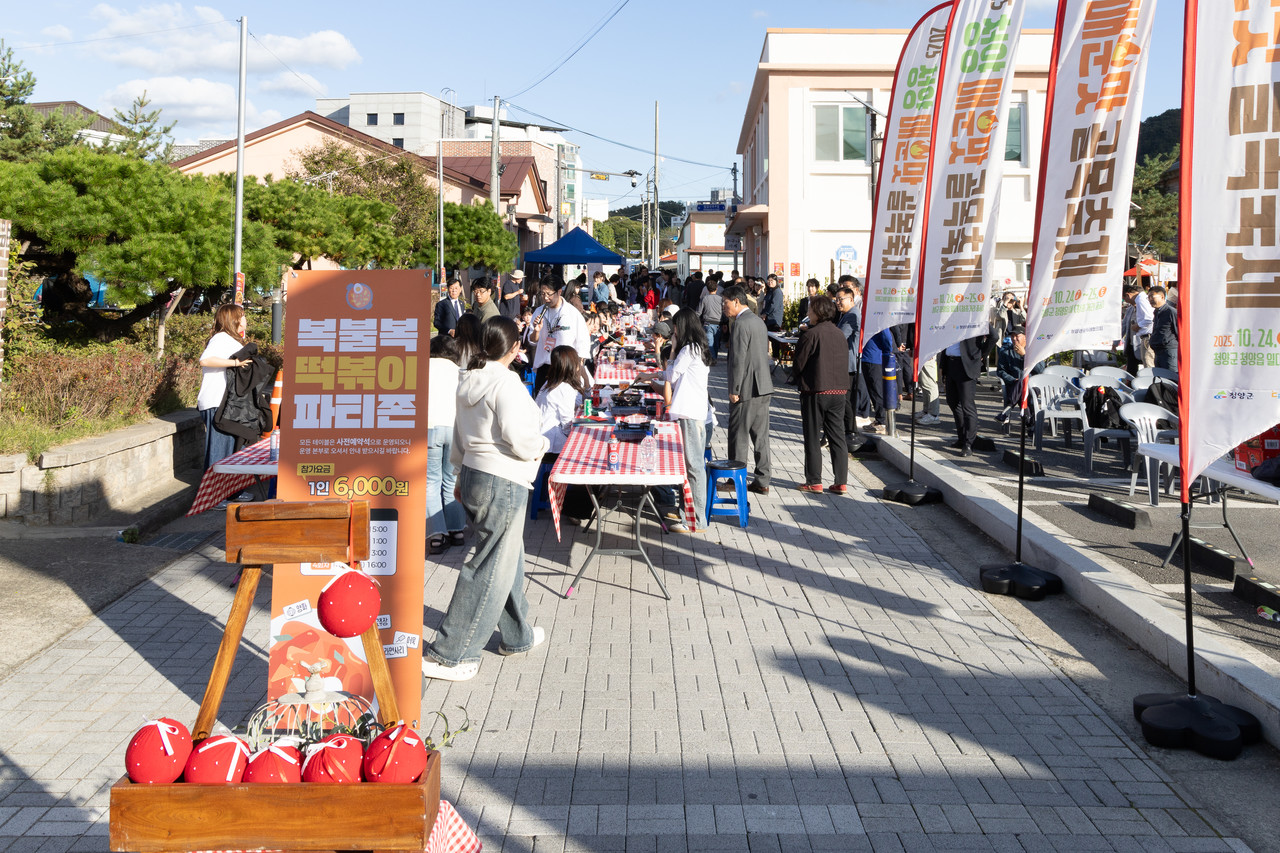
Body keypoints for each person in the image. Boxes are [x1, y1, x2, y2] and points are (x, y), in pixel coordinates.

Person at [422, 316, 549, 682]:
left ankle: (517, 635)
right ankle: (453, 653)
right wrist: (541, 444)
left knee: (506, 556)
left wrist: (459, 472)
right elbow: (519, 438)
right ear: (514, 348)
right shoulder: (506, 382)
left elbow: (460, 434)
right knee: (490, 562)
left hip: (474, 471)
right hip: (502, 475)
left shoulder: (467, 379)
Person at [792, 295, 849, 493]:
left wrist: (796, 377)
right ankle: (841, 481)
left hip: (815, 390)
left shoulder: (811, 334)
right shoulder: (839, 333)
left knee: (812, 436)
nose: (808, 313)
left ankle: (814, 480)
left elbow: (799, 363)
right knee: (837, 436)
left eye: (811, 309)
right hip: (839, 390)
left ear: (818, 312)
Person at [663, 308, 711, 532]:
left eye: (675, 326)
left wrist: (672, 350)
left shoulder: (689, 349)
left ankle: (697, 520)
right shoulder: (697, 347)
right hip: (693, 412)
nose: (674, 330)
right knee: (688, 465)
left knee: (694, 466)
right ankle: (685, 511)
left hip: (690, 413)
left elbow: (671, 376)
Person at [723, 284, 774, 494]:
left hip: (746, 388)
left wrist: (734, 389)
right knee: (761, 436)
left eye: (725, 302)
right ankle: (763, 480)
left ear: (736, 301)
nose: (723, 307)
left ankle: (735, 479)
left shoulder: (740, 324)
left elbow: (739, 360)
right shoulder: (758, 321)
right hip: (763, 385)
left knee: (739, 435)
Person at [197, 303, 252, 470]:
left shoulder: (229, 339)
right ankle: (215, 485)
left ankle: (223, 485)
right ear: (234, 319)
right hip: (217, 402)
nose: (245, 319)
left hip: (225, 403)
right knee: (220, 453)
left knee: (227, 451)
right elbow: (205, 360)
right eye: (242, 315)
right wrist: (235, 363)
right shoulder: (221, 338)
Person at [426, 335, 465, 555]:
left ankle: (436, 536)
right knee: (451, 479)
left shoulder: (422, 369)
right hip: (454, 428)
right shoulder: (459, 372)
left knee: (431, 482)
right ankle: (457, 531)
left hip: (429, 428)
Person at [527, 274, 591, 394]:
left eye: (549, 294)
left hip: (566, 367)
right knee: (541, 400)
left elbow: (582, 344)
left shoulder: (572, 313)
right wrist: (536, 331)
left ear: (559, 292)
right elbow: (532, 340)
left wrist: (578, 369)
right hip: (544, 366)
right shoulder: (539, 312)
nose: (545, 298)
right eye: (542, 294)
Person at [535, 346, 588, 456]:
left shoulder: (551, 382)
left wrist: (584, 379)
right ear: (573, 365)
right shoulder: (564, 388)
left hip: (541, 437)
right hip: (552, 444)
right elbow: (567, 423)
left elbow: (577, 402)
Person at [943, 333, 990, 456]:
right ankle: (962, 438)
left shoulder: (974, 321)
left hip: (966, 366)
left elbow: (994, 336)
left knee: (967, 406)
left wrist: (981, 354)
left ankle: (969, 443)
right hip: (950, 363)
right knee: (953, 402)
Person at [834, 282, 866, 438]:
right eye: (836, 300)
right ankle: (849, 429)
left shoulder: (852, 315)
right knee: (845, 399)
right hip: (846, 363)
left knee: (846, 399)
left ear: (851, 299)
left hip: (848, 364)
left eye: (841, 299)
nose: (838, 303)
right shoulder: (847, 314)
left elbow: (839, 337)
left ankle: (851, 431)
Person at [995, 327, 1043, 422]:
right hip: (1013, 384)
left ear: (1025, 337)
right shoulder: (1006, 351)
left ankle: (1007, 410)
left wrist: (1024, 355)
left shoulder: (1034, 350)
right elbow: (1001, 371)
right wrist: (1012, 380)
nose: (1014, 338)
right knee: (1020, 383)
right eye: (1012, 336)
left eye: (1017, 336)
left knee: (1023, 384)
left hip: (1032, 386)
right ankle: (1030, 423)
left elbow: (1040, 370)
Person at [860, 327, 896, 432]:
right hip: (867, 357)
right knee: (873, 391)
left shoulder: (879, 321)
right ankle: (879, 419)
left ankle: (882, 421)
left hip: (875, 358)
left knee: (877, 391)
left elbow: (887, 338)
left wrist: (887, 353)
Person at [1117, 281, 1155, 372]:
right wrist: (1116, 341)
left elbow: (1149, 318)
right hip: (1134, 343)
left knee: (1148, 367)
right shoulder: (1132, 307)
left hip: (1146, 339)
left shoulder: (1141, 300)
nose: (1126, 301)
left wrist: (1138, 326)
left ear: (1128, 295)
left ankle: (1149, 381)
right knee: (1134, 368)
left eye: (1124, 299)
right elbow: (1124, 325)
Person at [1148, 284, 1178, 371]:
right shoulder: (1157, 312)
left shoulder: (1171, 312)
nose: (1150, 299)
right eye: (1148, 297)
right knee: (1160, 377)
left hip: (1169, 352)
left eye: (1152, 296)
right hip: (1158, 352)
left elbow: (1179, 332)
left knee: (1171, 377)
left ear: (1162, 297)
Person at [697, 278, 724, 364]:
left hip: (707, 323)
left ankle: (713, 358)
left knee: (709, 343)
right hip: (718, 323)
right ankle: (714, 357)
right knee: (716, 343)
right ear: (716, 289)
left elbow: (699, 312)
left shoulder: (704, 299)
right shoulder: (721, 299)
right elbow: (724, 311)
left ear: (707, 289)